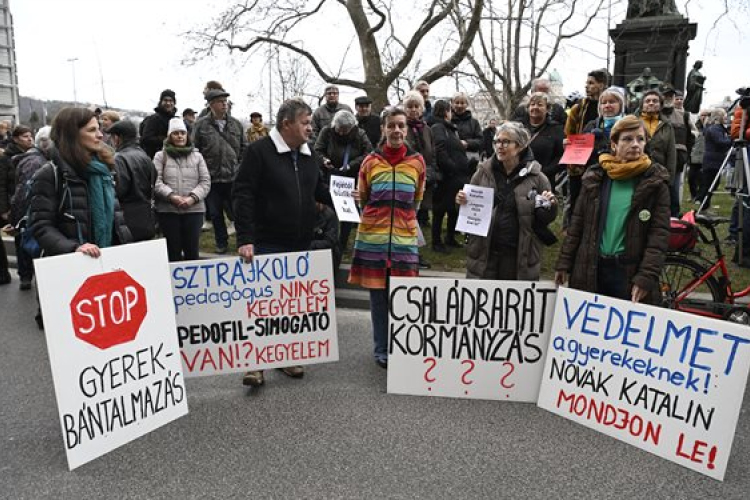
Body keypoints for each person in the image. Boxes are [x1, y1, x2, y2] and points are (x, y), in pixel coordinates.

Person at [233, 98, 332, 387]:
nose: (310, 128)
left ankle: (286, 356)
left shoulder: (308, 154)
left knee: (290, 305)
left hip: (299, 241)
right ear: (286, 124)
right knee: (263, 305)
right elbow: (243, 195)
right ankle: (255, 364)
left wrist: (343, 197)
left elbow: (319, 189)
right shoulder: (258, 152)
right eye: (305, 122)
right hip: (267, 241)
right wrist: (245, 238)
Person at [555, 115, 671, 304]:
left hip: (629, 273)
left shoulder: (655, 182)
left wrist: (645, 277)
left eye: (640, 139)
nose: (635, 144)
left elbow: (659, 236)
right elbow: (577, 225)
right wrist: (564, 263)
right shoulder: (595, 178)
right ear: (614, 144)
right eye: (627, 139)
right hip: (592, 269)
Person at [348, 107, 425, 368]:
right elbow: (364, 199)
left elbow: (417, 201)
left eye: (401, 126)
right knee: (378, 299)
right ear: (383, 129)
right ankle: (382, 349)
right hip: (374, 240)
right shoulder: (370, 161)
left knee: (402, 296)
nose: (396, 130)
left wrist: (403, 224)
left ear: (406, 129)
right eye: (391, 125)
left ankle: (401, 345)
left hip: (403, 241)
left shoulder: (417, 162)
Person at [457, 121, 557, 280]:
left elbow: (545, 219)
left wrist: (550, 207)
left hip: (518, 257)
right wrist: (462, 201)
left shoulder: (538, 178)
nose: (499, 146)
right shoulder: (482, 173)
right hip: (485, 253)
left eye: (505, 141)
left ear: (520, 146)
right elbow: (468, 211)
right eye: (496, 141)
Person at [29, 107, 132, 257]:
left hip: (109, 258)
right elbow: (41, 226)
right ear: (72, 135)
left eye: (99, 129)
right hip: (73, 265)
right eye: (91, 130)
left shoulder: (105, 169)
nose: (100, 135)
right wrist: (74, 248)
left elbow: (117, 219)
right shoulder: (50, 174)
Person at [192, 88, 247, 254]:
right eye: (220, 102)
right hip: (211, 178)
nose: (224, 105)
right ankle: (221, 242)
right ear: (211, 105)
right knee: (215, 214)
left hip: (232, 177)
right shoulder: (200, 125)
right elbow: (194, 149)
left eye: (226, 102)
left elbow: (244, 148)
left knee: (237, 213)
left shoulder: (236, 124)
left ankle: (243, 242)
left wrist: (239, 167)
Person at [314, 109, 372, 253]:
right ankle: (327, 240)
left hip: (351, 178)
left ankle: (342, 243)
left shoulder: (360, 134)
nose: (341, 132)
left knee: (348, 212)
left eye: (345, 130)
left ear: (352, 127)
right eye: (339, 129)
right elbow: (317, 150)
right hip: (330, 176)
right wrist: (324, 160)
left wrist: (352, 164)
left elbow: (369, 153)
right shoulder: (327, 132)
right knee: (329, 210)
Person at [153, 118, 211, 261]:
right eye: (176, 133)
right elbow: (156, 181)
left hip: (194, 211)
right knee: (172, 252)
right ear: (170, 136)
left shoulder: (197, 156)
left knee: (192, 252)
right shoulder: (161, 156)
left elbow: (205, 182)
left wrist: (192, 198)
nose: (180, 136)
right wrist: (171, 196)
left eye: (182, 133)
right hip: (168, 211)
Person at [564, 68, 609, 226]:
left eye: (591, 83)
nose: (587, 86)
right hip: (578, 160)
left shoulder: (609, 106)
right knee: (575, 196)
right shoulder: (578, 108)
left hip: (600, 160)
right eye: (586, 83)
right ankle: (571, 227)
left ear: (602, 85)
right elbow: (569, 133)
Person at [431, 99, 471, 253]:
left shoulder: (450, 128)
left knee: (454, 208)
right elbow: (440, 150)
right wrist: (453, 167)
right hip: (447, 176)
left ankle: (450, 237)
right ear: (446, 111)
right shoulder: (438, 127)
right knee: (440, 210)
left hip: (457, 176)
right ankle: (436, 241)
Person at [403, 91, 436, 269]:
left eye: (417, 106)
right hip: (407, 179)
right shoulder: (402, 127)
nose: (413, 110)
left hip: (425, 178)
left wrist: (431, 174)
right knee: (409, 218)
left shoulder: (427, 129)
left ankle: (413, 253)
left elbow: (432, 155)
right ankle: (411, 254)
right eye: (410, 106)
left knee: (416, 217)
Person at [109, 120, 157, 242]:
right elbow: (154, 179)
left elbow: (119, 190)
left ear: (117, 138)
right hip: (147, 216)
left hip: (127, 219)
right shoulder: (144, 155)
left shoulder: (119, 158)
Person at [0, 125, 34, 286]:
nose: (29, 139)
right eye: (25, 136)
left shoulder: (35, 156)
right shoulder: (5, 158)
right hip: (16, 204)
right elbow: (2, 185)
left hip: (31, 202)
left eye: (30, 136)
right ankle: (24, 275)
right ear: (15, 139)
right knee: (20, 239)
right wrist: (5, 209)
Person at [659, 85, 694, 216]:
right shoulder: (655, 114)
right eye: (666, 95)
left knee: (673, 189)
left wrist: (685, 154)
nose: (669, 98)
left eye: (671, 96)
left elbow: (691, 137)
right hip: (659, 158)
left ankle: (674, 217)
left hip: (677, 159)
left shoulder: (684, 115)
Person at [522, 93, 564, 192]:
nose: (535, 107)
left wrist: (543, 172)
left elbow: (561, 157)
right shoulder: (520, 127)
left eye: (540, 104)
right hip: (519, 179)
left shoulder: (556, 129)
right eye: (532, 104)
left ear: (547, 109)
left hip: (544, 181)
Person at [639, 90, 677, 200]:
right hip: (637, 171)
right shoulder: (633, 122)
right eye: (647, 101)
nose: (651, 103)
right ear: (642, 105)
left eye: (655, 101)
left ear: (660, 105)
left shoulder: (667, 126)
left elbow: (671, 152)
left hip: (659, 173)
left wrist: (669, 177)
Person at [582, 87, 626, 168]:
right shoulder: (591, 125)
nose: (607, 105)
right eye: (603, 103)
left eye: (612, 102)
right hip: (594, 174)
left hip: (622, 171)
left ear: (621, 105)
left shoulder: (630, 125)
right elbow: (581, 156)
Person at [697, 108, 731, 209]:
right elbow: (720, 142)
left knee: (712, 183)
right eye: (724, 116)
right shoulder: (715, 129)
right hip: (713, 160)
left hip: (714, 160)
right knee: (709, 184)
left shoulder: (716, 128)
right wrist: (732, 139)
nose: (726, 118)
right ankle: (702, 204)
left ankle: (704, 204)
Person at [140, 89, 177, 160]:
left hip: (170, 158)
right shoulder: (154, 119)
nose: (168, 103)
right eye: (165, 100)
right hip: (154, 157)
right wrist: (167, 140)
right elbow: (146, 139)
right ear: (161, 102)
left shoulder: (174, 120)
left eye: (171, 101)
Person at [450, 92, 483, 163]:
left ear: (467, 104)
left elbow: (480, 141)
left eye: (462, 103)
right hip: (451, 160)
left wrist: (467, 143)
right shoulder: (447, 121)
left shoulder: (474, 122)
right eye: (457, 102)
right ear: (452, 104)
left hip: (470, 161)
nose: (459, 105)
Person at [687, 110, 709, 203]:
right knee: (691, 177)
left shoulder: (709, 127)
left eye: (706, 115)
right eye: (702, 115)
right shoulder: (695, 126)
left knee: (702, 179)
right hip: (694, 156)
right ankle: (693, 195)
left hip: (705, 157)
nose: (704, 117)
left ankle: (700, 197)